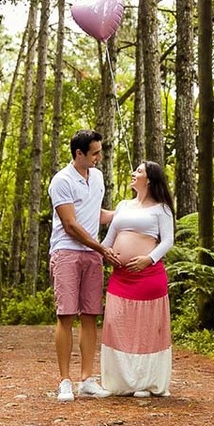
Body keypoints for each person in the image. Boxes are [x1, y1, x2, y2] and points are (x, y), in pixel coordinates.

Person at [48, 129, 120, 402]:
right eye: (95, 153)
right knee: (66, 315)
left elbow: (95, 215)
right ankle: (65, 381)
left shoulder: (98, 177)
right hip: (67, 252)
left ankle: (87, 379)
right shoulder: (62, 181)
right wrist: (101, 248)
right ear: (79, 154)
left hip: (92, 255)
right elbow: (70, 224)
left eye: (100, 152)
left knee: (90, 315)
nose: (99, 157)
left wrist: (125, 212)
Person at [99, 161, 174, 397]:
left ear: (149, 179)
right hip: (120, 278)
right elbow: (109, 238)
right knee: (116, 324)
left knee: (146, 330)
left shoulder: (161, 209)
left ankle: (146, 383)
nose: (133, 173)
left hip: (148, 277)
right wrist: (105, 252)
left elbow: (167, 241)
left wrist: (148, 259)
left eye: (139, 171)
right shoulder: (123, 205)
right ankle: (121, 383)